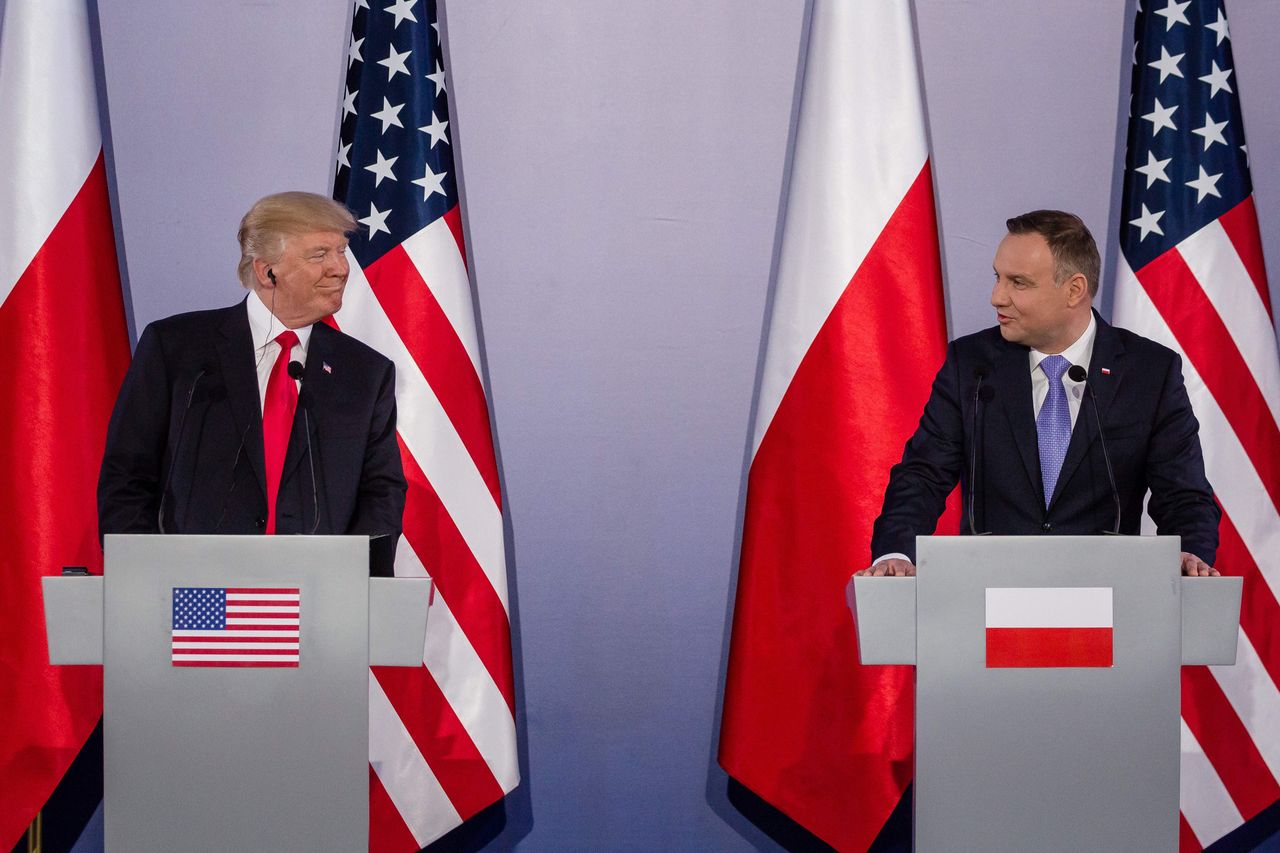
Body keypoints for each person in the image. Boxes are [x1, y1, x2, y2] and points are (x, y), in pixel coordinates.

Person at [858, 210, 1219, 578]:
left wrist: (1190, 551)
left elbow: (1182, 493)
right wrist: (896, 552)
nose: (997, 297)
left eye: (1018, 282)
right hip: (987, 595)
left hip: (1106, 599)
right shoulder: (971, 365)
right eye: (998, 278)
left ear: (1074, 290)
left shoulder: (1148, 372)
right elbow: (923, 476)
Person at [98, 192, 406, 565]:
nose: (340, 268)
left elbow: (380, 492)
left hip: (318, 598)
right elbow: (128, 475)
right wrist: (144, 576)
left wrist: (358, 583)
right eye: (320, 254)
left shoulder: (365, 372)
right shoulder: (178, 350)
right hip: (195, 592)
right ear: (266, 271)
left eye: (341, 251)